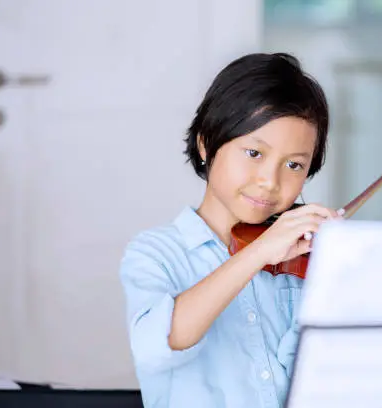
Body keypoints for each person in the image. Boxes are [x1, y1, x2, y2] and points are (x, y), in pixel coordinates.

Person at [119, 52, 342, 408]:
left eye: (294, 164)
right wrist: (259, 252)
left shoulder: (302, 259)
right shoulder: (155, 252)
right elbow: (157, 346)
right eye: (254, 153)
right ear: (206, 143)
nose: (271, 181)